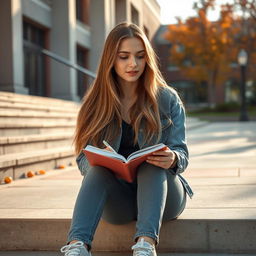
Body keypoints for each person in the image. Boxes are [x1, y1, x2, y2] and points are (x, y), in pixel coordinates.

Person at [60, 22, 192, 256]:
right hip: (118, 203)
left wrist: (172, 158)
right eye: (124, 57)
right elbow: (82, 158)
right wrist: (97, 161)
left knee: (151, 165)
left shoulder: (166, 98)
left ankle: (146, 246)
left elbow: (182, 153)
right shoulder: (95, 104)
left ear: (147, 59)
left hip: (163, 198)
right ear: (111, 58)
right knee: (97, 172)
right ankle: (77, 246)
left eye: (140, 56)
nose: (133, 64)